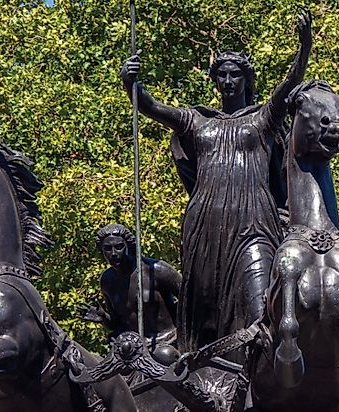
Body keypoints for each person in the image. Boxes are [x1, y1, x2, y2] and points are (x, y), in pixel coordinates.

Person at [121, 12, 312, 354]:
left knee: (259, 312)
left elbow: (288, 87)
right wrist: (131, 84)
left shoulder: (262, 117)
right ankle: (210, 383)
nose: (227, 80)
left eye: (234, 74)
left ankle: (263, 389)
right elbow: (151, 107)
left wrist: (304, 45)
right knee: (204, 315)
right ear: (214, 80)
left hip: (254, 224)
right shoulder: (195, 120)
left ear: (245, 78)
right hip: (205, 228)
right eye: (221, 74)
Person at [83, 223, 181, 365]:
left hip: (168, 342)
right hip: (133, 348)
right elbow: (118, 323)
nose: (114, 253)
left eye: (119, 247)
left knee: (164, 356)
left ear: (129, 246)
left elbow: (190, 299)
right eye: (107, 249)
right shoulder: (107, 280)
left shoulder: (156, 270)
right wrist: (104, 317)